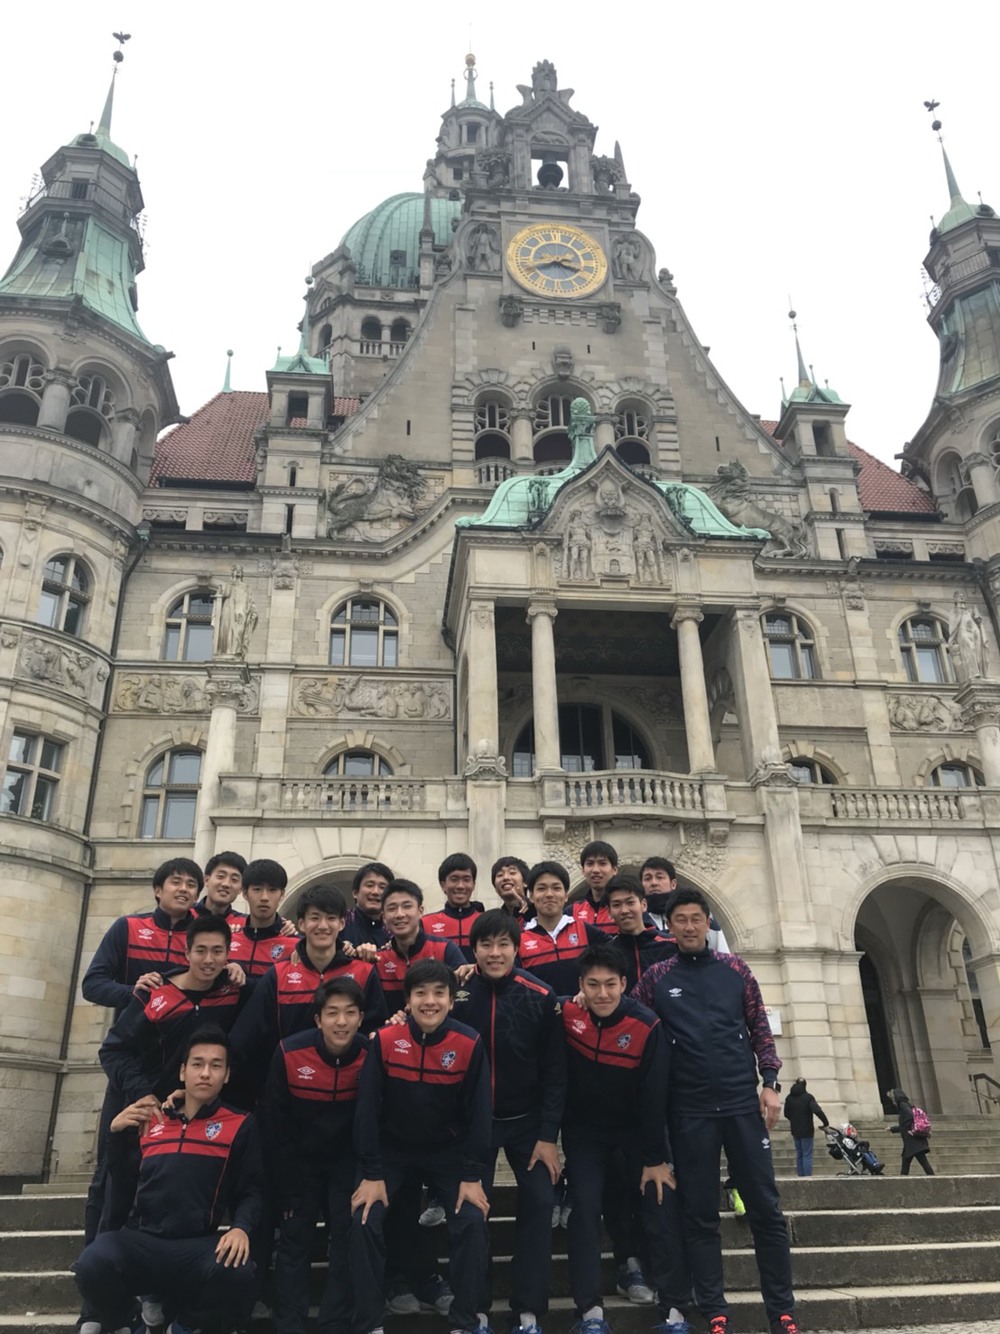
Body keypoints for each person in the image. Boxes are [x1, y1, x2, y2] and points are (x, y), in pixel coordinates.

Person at [634, 888, 800, 1334]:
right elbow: (629, 1018)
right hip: (689, 1112)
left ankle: (782, 1311)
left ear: (708, 922)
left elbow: (760, 1028)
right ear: (669, 926)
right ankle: (714, 1310)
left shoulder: (736, 969)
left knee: (765, 1210)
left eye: (696, 918)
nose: (689, 926)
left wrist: (771, 1084)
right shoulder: (656, 977)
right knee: (700, 1215)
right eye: (680, 919)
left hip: (743, 1105)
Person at [78, 857, 203, 1330]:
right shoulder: (128, 928)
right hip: (129, 1074)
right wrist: (136, 990)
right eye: (176, 882)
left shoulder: (205, 932)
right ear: (157, 889)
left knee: (169, 1180)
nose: (184, 889)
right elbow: (93, 984)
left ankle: (156, 1292)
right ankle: (96, 1300)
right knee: (111, 1181)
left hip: (179, 1081)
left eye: (191, 883)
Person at [73, 1025, 261, 1334]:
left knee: (239, 1269)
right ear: (183, 1071)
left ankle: (184, 1326)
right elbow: (124, 1181)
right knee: (91, 1262)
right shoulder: (152, 1120)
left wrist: (241, 1227)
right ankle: (127, 1320)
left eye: (216, 1066)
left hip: (194, 1245)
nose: (205, 1073)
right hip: (144, 1240)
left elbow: (251, 1189)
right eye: (198, 1064)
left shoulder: (240, 1124)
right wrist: (115, 1135)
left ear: (227, 1075)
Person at [351, 958, 492, 1334]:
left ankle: (465, 1321)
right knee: (364, 1217)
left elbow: (480, 1113)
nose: (430, 1001)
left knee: (471, 1220)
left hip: (447, 1153)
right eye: (421, 993)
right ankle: (369, 1323)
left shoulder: (469, 1043)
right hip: (392, 1152)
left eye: (439, 993)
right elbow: (367, 1110)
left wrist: (472, 1175)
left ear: (451, 1000)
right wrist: (371, 1172)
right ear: (408, 999)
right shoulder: (384, 1041)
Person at [561, 943, 687, 1334]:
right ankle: (589, 1311)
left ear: (624, 984)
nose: (602, 994)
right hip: (585, 1132)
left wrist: (654, 1158)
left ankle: (673, 1308)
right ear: (581, 985)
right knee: (584, 1209)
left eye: (610, 985)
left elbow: (655, 1096)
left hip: (637, 1130)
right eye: (593, 985)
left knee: (659, 1201)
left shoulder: (647, 1025)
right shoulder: (567, 1013)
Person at [454, 909, 565, 1334]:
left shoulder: (540, 995)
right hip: (474, 1126)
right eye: (486, 945)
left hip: (528, 1125)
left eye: (503, 944)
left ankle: (528, 1312)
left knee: (540, 1202)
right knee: (471, 1214)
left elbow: (556, 1072)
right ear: (474, 950)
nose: (495, 953)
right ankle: (475, 1311)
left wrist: (548, 1135)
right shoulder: (457, 992)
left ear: (517, 948)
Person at [265, 978, 369, 1334]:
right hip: (299, 1164)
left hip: (347, 1163)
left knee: (346, 1241)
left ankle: (335, 1324)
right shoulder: (289, 1053)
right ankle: (288, 1325)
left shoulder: (371, 1055)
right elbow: (275, 1125)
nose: (341, 1022)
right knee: (294, 1242)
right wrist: (286, 1186)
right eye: (332, 1013)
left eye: (350, 1013)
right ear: (317, 1019)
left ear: (361, 1018)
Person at [230, 884, 386, 1102]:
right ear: (301, 924)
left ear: (342, 923)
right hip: (291, 1096)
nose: (323, 926)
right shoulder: (279, 975)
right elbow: (246, 1038)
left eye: (331, 918)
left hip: (349, 1096)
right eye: (315, 918)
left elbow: (376, 1035)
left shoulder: (363, 973)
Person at [375, 879, 467, 1007]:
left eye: (407, 906)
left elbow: (463, 997)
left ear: (420, 911)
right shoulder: (379, 959)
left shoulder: (446, 949)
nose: (399, 914)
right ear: (384, 917)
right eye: (392, 908)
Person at [519, 861, 605, 994]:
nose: (549, 894)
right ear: (531, 896)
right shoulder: (519, 940)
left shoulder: (586, 931)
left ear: (566, 895)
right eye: (541, 888)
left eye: (556, 888)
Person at [228, 858, 299, 981]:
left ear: (282, 894)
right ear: (245, 893)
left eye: (272, 890)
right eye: (257, 889)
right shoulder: (227, 940)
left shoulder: (297, 946)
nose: (264, 897)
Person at [604, 875, 677, 992]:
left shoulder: (671, 945)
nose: (624, 910)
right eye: (617, 905)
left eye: (630, 902)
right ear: (609, 911)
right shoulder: (605, 954)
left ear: (643, 905)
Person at [640, 858, 729, 951]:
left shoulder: (702, 914)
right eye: (648, 878)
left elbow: (721, 951)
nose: (654, 883)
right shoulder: (638, 920)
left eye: (659, 877)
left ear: (673, 884)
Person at [421, 853, 486, 961]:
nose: (460, 886)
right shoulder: (425, 923)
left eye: (466, 879)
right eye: (454, 879)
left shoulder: (486, 922)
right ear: (443, 885)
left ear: (474, 885)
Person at [342, 862, 394, 949]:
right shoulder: (341, 921)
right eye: (370, 885)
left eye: (382, 887)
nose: (375, 892)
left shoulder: (393, 930)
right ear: (355, 893)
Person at [783, 1079, 829, 1177]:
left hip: (795, 1129)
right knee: (807, 1155)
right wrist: (825, 1122)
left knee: (799, 1154)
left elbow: (786, 1114)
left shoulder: (789, 1098)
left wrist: (794, 1120)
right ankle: (807, 1177)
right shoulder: (808, 1097)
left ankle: (801, 1176)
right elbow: (817, 1111)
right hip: (807, 1129)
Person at [571, 841, 620, 933]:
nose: (595, 870)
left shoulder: (626, 908)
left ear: (614, 870)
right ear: (583, 870)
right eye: (590, 864)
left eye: (602, 863)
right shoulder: (572, 911)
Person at [887, 1089, 934, 1176]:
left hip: (912, 1140)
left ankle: (932, 1178)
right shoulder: (906, 1104)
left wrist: (908, 1129)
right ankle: (931, 1177)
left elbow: (909, 1117)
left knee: (916, 1161)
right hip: (913, 1141)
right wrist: (893, 1129)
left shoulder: (902, 1105)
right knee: (914, 1161)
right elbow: (905, 1124)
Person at [196, 851, 248, 924]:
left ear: (241, 888)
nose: (226, 884)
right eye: (221, 876)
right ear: (206, 880)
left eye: (234, 879)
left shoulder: (245, 924)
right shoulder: (185, 915)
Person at [492, 855, 531, 922]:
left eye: (512, 873)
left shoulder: (540, 914)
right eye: (500, 875)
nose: (505, 878)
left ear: (525, 882)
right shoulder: (495, 921)